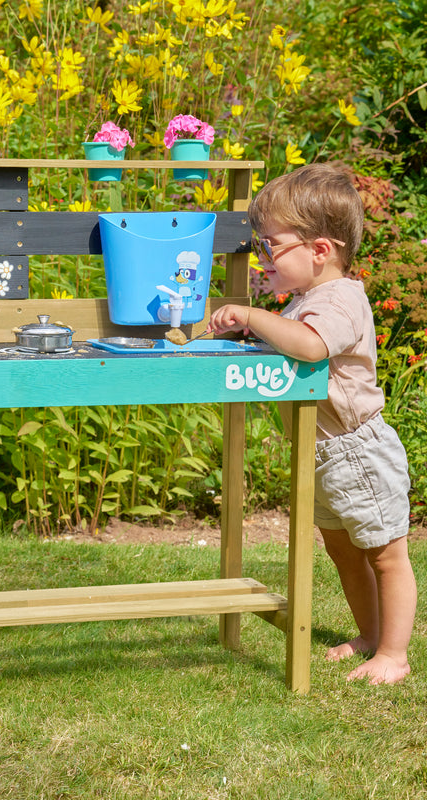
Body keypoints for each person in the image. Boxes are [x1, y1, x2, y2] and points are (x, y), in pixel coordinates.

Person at [208, 162, 416, 685]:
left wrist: (253, 317)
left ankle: (394, 654)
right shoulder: (307, 300)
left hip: (358, 451)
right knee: (344, 552)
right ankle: (369, 636)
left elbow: (311, 345)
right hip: (324, 453)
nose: (261, 258)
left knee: (386, 555)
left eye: (270, 246)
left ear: (320, 250)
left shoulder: (340, 299)